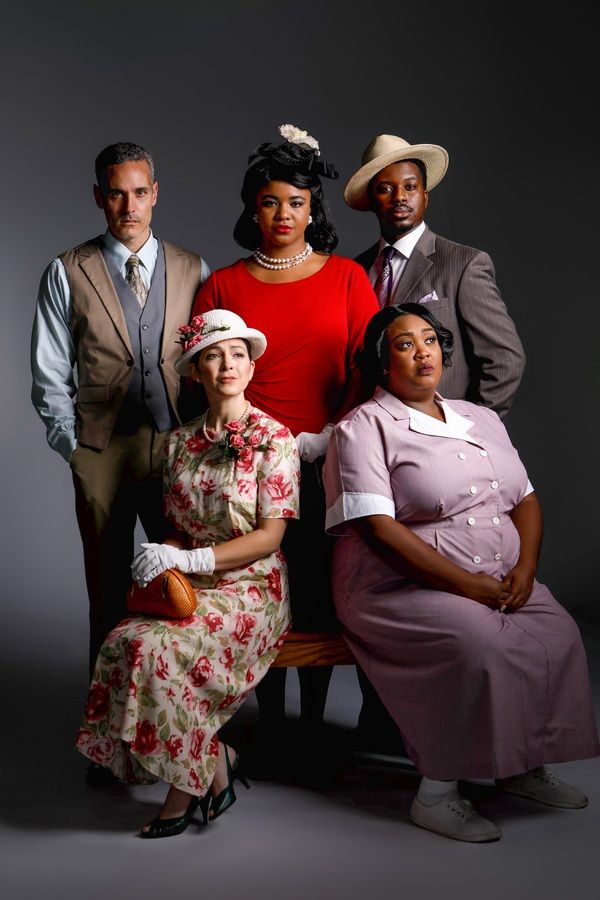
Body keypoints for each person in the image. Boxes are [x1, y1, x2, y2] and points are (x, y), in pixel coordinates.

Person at [322, 303, 599, 842]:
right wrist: (467, 585)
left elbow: (525, 498)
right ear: (382, 363)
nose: (423, 352)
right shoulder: (363, 427)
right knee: (478, 645)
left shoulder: (482, 417)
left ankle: (519, 765)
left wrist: (526, 568)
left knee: (559, 632)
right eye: (404, 344)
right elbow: (379, 528)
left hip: (496, 573)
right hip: (391, 583)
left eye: (429, 340)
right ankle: (438, 791)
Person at [76, 309, 300, 838]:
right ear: (196, 371)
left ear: (250, 367)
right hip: (193, 583)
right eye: (213, 355)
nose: (227, 364)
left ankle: (185, 791)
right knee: (127, 640)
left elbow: (272, 536)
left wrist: (193, 559)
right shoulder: (179, 443)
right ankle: (216, 757)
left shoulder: (275, 438)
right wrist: (163, 552)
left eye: (238, 354)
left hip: (254, 586)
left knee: (167, 649)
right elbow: (179, 527)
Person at [193, 124, 378, 737]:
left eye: (296, 202)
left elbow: (367, 365)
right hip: (242, 460)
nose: (282, 214)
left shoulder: (349, 278)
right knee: (256, 585)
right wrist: (246, 439)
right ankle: (266, 716)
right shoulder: (223, 284)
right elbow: (204, 373)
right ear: (253, 206)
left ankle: (314, 720)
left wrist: (330, 434)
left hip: (327, 457)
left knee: (317, 587)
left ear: (312, 208)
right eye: (270, 201)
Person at [344, 132, 527, 752]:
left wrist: (464, 434)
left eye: (410, 186)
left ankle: (464, 737)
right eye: (386, 188)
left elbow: (504, 359)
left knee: (443, 593)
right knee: (385, 579)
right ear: (371, 198)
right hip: (376, 455)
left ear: (426, 193)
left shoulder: (460, 262)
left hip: (436, 467)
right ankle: (385, 718)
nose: (399, 198)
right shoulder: (357, 270)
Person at [30, 141, 209, 696]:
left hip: (176, 447)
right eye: (115, 194)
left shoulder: (192, 267)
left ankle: (177, 720)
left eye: (138, 193)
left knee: (180, 584)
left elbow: (209, 360)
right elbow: (49, 369)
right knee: (107, 591)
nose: (128, 206)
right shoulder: (67, 270)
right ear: (98, 198)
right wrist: (75, 449)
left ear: (155, 195)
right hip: (102, 451)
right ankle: (108, 734)